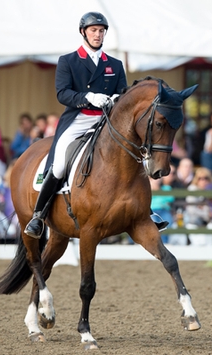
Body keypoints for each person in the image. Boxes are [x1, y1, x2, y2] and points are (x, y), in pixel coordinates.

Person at [24, 12, 128, 238]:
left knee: (130, 154)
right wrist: (88, 97)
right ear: (84, 32)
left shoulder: (115, 64)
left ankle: (145, 211)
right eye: (93, 30)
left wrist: (116, 100)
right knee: (60, 162)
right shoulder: (68, 61)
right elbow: (62, 93)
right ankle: (38, 216)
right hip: (79, 118)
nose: (98, 35)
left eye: (101, 31)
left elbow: (124, 94)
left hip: (106, 120)